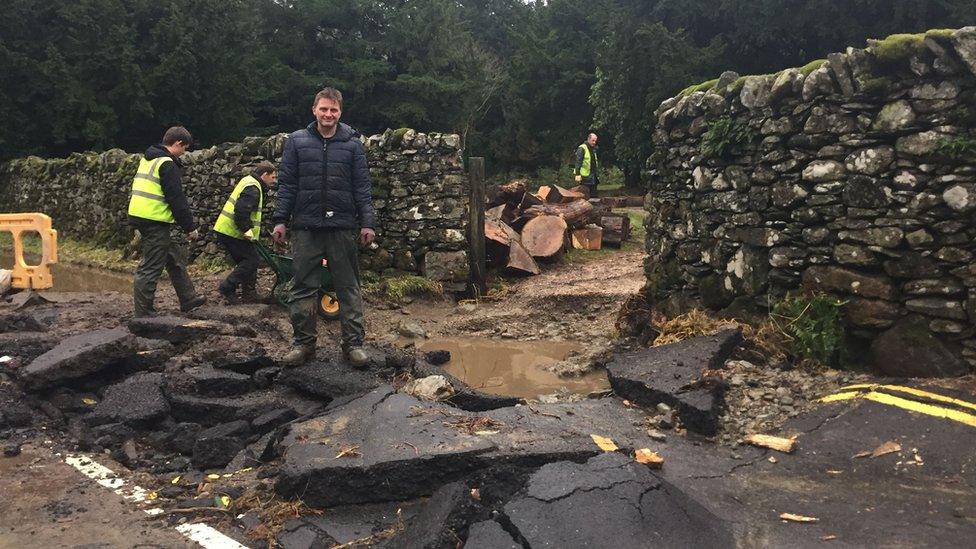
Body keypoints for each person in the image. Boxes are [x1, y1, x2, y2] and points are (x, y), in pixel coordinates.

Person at [271, 87, 377, 368]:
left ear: (340, 113)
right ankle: (303, 344)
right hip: (305, 225)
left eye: (334, 110)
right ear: (314, 110)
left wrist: (367, 222)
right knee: (303, 287)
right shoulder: (296, 142)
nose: (328, 114)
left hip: (342, 225)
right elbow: (287, 185)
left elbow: (362, 188)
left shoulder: (353, 145)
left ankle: (353, 346)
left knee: (348, 286)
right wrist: (280, 220)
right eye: (324, 109)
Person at [128, 126, 206, 317]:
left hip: (142, 216)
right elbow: (176, 199)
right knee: (151, 266)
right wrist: (190, 228)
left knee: (173, 257)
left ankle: (188, 299)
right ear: (178, 143)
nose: (184, 153)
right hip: (153, 219)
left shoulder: (148, 159)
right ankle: (143, 313)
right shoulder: (166, 163)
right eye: (184, 148)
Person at [213, 161, 277, 303]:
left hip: (228, 230)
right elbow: (241, 211)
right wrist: (246, 230)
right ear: (264, 174)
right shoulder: (253, 187)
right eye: (273, 177)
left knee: (249, 259)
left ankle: (249, 294)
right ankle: (227, 287)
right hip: (231, 231)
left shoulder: (250, 182)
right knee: (251, 260)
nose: (274, 181)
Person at [573, 132, 600, 198]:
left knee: (594, 194)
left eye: (595, 141)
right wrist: (577, 174)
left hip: (592, 175)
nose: (594, 142)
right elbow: (578, 161)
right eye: (593, 140)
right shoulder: (582, 148)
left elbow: (593, 162)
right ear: (588, 139)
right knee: (585, 195)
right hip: (584, 176)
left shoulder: (593, 149)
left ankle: (595, 207)